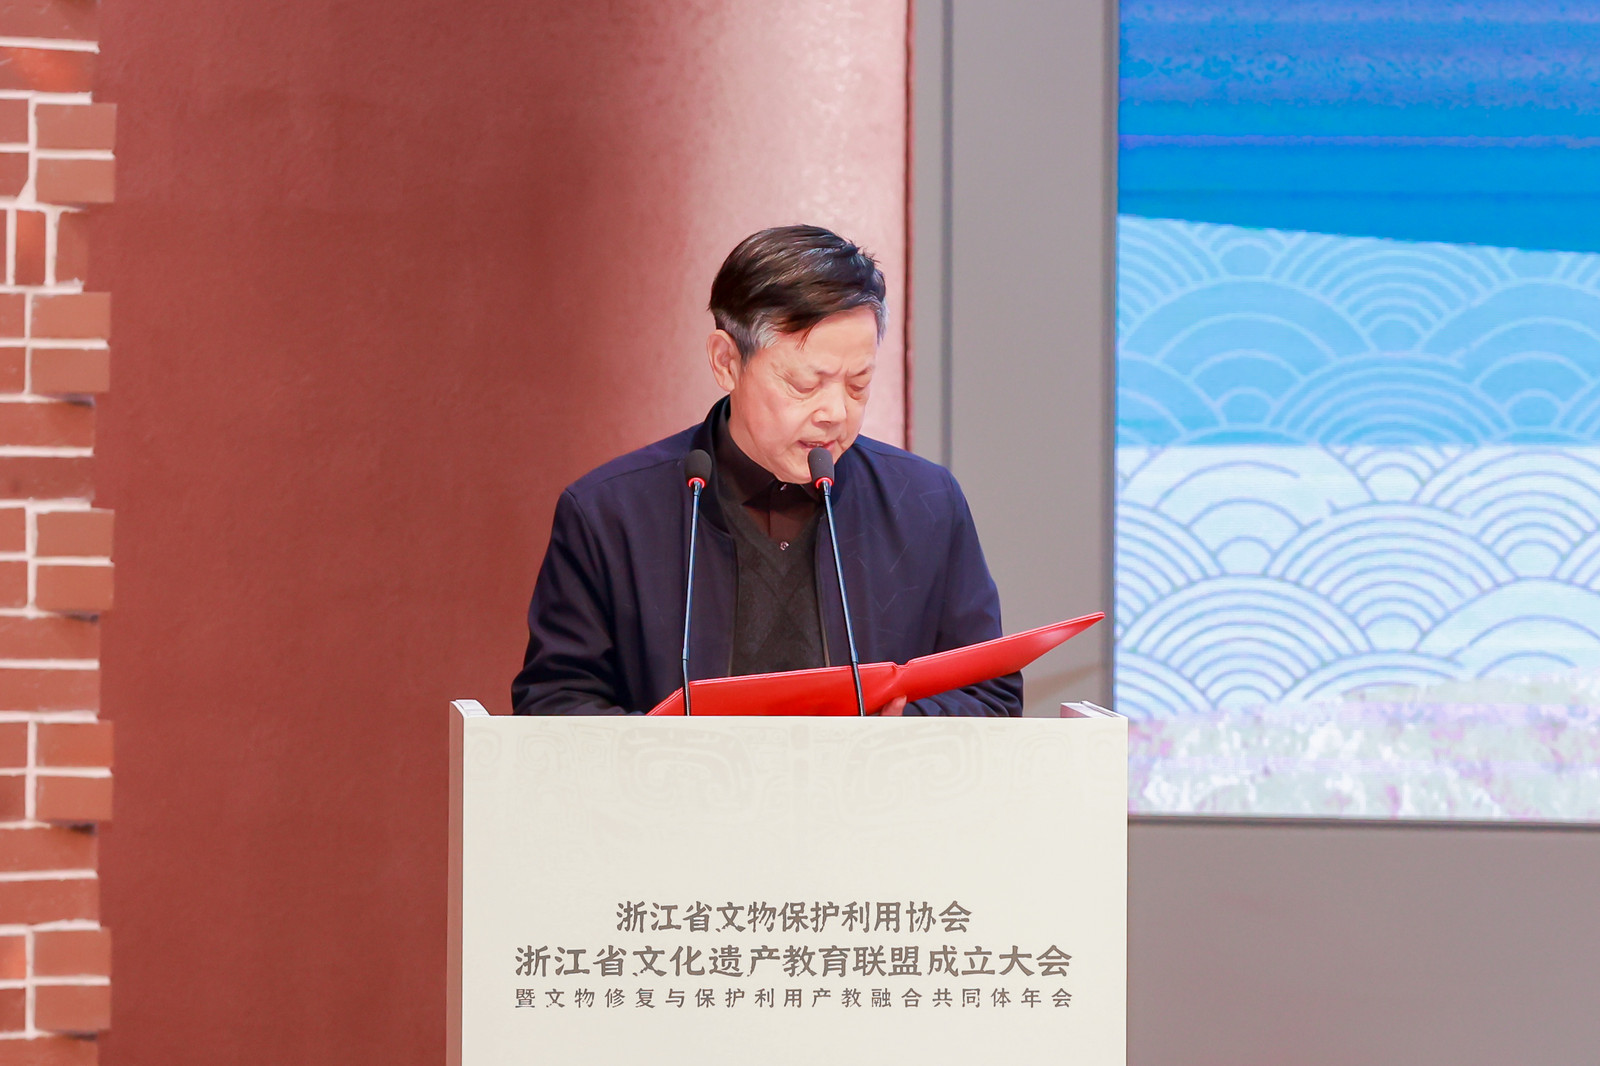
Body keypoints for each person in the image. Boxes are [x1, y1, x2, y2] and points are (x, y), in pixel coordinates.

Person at [512, 224, 1021, 716]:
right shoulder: (609, 514)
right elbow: (555, 702)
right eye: (805, 385)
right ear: (726, 362)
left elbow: (990, 693)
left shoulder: (926, 503)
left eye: (858, 385)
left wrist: (902, 734)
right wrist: (668, 755)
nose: (835, 413)